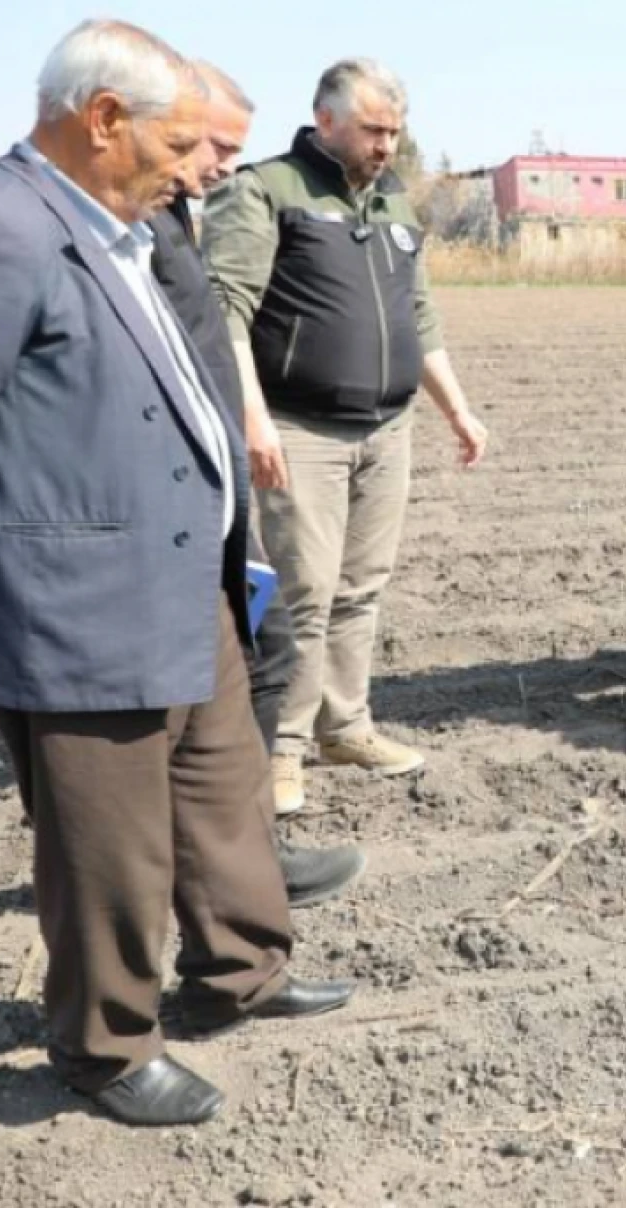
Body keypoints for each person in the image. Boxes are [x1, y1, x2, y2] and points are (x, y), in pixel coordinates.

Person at [0, 20, 352, 1127]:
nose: (196, 168)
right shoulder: (12, 230)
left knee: (220, 786)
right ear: (104, 120)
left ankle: (241, 966)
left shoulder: (114, 224)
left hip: (180, 567)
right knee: (111, 838)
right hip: (80, 598)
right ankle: (103, 1044)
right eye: (180, 141)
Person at [205, 58, 489, 814]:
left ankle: (346, 725)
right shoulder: (267, 191)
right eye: (372, 129)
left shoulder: (394, 206)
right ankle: (281, 749)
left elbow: (419, 318)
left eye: (395, 131)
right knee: (304, 592)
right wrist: (253, 418)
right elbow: (225, 309)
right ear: (324, 120)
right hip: (300, 430)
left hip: (384, 430)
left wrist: (456, 410)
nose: (386, 145)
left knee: (361, 590)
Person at [148, 59, 365, 905]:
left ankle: (244, 860)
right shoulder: (99, 225)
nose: (228, 166)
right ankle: (223, 871)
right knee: (235, 666)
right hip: (161, 504)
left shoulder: (168, 215)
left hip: (209, 489)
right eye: (217, 145)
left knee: (258, 649)